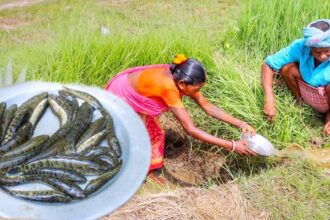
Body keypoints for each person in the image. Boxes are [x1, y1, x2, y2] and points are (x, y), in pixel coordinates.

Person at [105, 54, 256, 175]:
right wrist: (232, 145)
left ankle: (148, 169)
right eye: (196, 89)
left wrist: (241, 124)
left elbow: (207, 107)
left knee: (155, 134)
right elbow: (191, 130)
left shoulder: (180, 78)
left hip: (140, 95)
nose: (197, 93)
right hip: (123, 96)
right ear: (182, 84)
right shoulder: (169, 88)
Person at [262, 19, 330, 134]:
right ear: (310, 47)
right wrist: (269, 99)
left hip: (327, 96)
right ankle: (300, 102)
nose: (323, 56)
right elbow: (268, 65)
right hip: (307, 88)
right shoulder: (301, 46)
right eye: (317, 52)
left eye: (327, 50)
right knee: (287, 69)